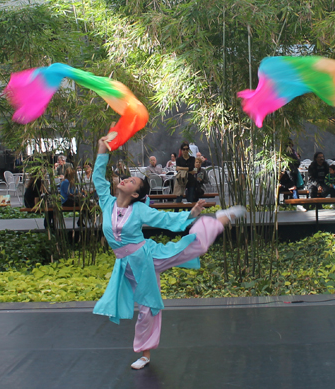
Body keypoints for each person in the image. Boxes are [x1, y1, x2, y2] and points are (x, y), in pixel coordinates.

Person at [92, 133, 247, 370]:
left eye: (132, 182)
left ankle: (218, 220)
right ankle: (217, 221)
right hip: (125, 265)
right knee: (146, 308)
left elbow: (165, 219)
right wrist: (103, 149)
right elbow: (98, 180)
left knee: (187, 252)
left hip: (147, 257)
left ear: (135, 195)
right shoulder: (107, 202)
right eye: (127, 179)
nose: (126, 180)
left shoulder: (140, 210)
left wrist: (191, 214)